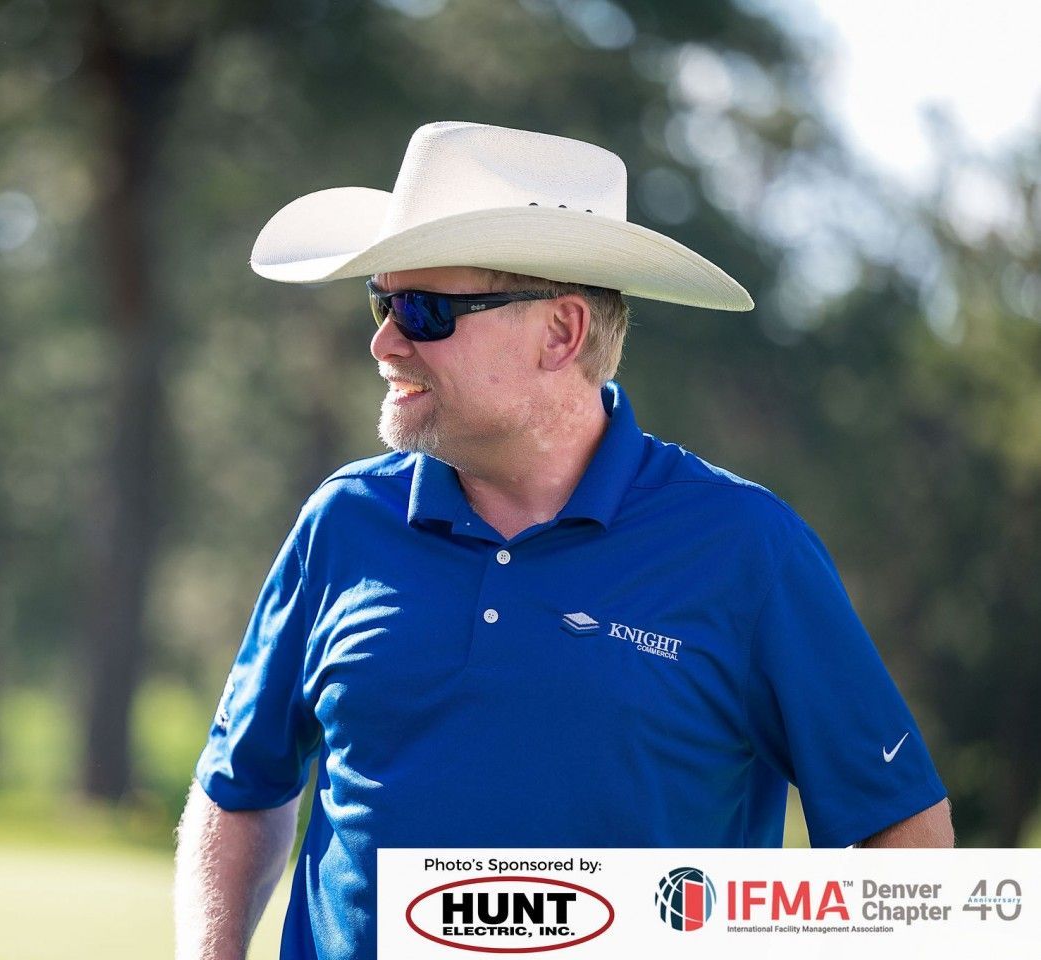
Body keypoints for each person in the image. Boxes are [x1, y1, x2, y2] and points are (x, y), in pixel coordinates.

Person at [173, 122, 952, 960]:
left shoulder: (745, 549)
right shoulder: (341, 522)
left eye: (424, 310)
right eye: (381, 301)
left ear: (561, 333)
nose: (384, 341)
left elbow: (901, 838)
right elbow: (240, 790)